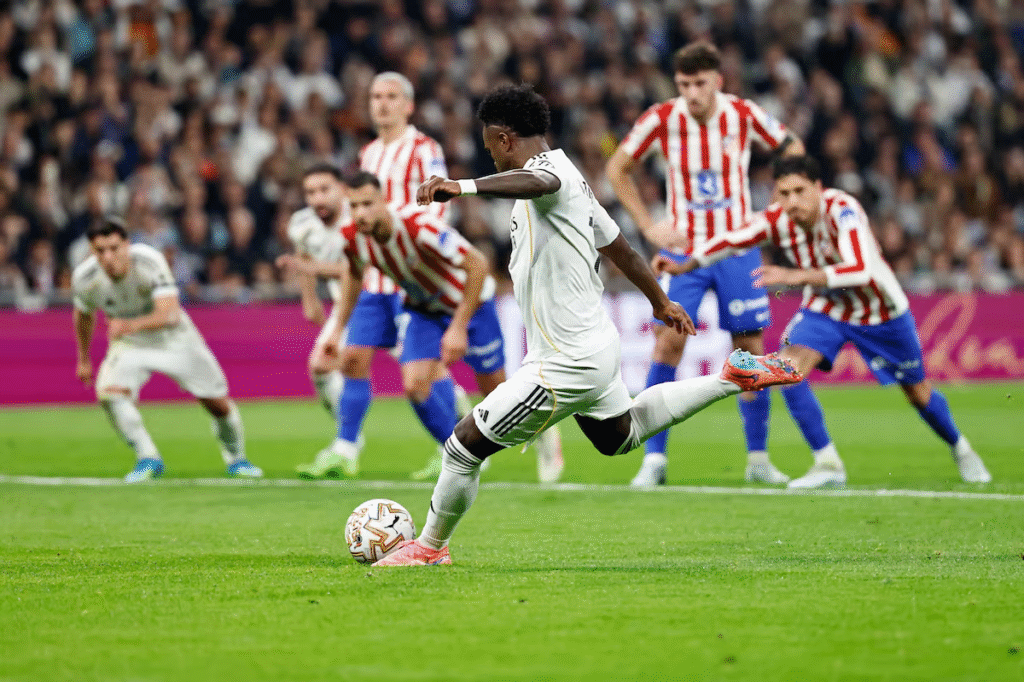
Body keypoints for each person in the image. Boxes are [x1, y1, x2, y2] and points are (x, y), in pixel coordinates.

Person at [373, 85, 802, 567]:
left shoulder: (550, 177)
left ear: (504, 138)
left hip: (566, 362)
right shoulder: (576, 181)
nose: (489, 153)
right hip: (592, 347)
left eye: (490, 144)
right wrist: (660, 301)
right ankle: (731, 378)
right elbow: (622, 251)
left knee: (462, 447)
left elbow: (539, 185)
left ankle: (428, 548)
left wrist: (462, 185)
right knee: (620, 434)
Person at [651, 155, 992, 486]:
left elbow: (859, 269)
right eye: (784, 193)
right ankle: (827, 463)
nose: (792, 201)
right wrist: (687, 263)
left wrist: (796, 276)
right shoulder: (777, 220)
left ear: (818, 187)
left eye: (800, 191)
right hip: (827, 307)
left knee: (917, 393)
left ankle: (961, 448)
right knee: (786, 369)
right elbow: (731, 240)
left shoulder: (843, 210)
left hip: (880, 311)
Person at [606, 41, 835, 487]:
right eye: (684, 84)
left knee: (748, 350)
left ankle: (758, 458)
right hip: (685, 248)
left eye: (700, 83)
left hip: (735, 247)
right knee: (667, 345)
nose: (692, 93)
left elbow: (793, 147)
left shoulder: (744, 114)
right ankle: (653, 459)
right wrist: (648, 226)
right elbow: (618, 168)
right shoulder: (662, 118)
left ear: (718, 81)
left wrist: (776, 204)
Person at [286, 171, 511, 474]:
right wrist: (338, 329)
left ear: (383, 202)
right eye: (354, 206)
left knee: (498, 393)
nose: (361, 213)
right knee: (415, 384)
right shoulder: (354, 237)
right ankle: (459, 456)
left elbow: (478, 264)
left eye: (367, 204)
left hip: (473, 305)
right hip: (423, 309)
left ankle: (545, 436)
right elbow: (354, 276)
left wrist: (458, 327)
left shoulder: (418, 225)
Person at [72, 218, 262, 482]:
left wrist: (129, 324)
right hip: (131, 344)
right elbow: (83, 316)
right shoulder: (85, 277)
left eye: (114, 248)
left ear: (127, 245)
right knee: (110, 393)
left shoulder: (148, 261)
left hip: (175, 338)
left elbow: (170, 314)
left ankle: (238, 459)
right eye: (100, 251)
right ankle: (147, 457)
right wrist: (83, 359)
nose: (108, 257)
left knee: (217, 404)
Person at [278, 164, 359, 477]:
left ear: (341, 188)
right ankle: (347, 441)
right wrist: (309, 299)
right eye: (310, 192)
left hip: (385, 299)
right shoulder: (301, 224)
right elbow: (305, 260)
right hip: (346, 305)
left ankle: (461, 435)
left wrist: (314, 270)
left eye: (324, 189)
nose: (317, 198)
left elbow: (362, 267)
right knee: (321, 367)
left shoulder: (359, 215)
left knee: (426, 374)